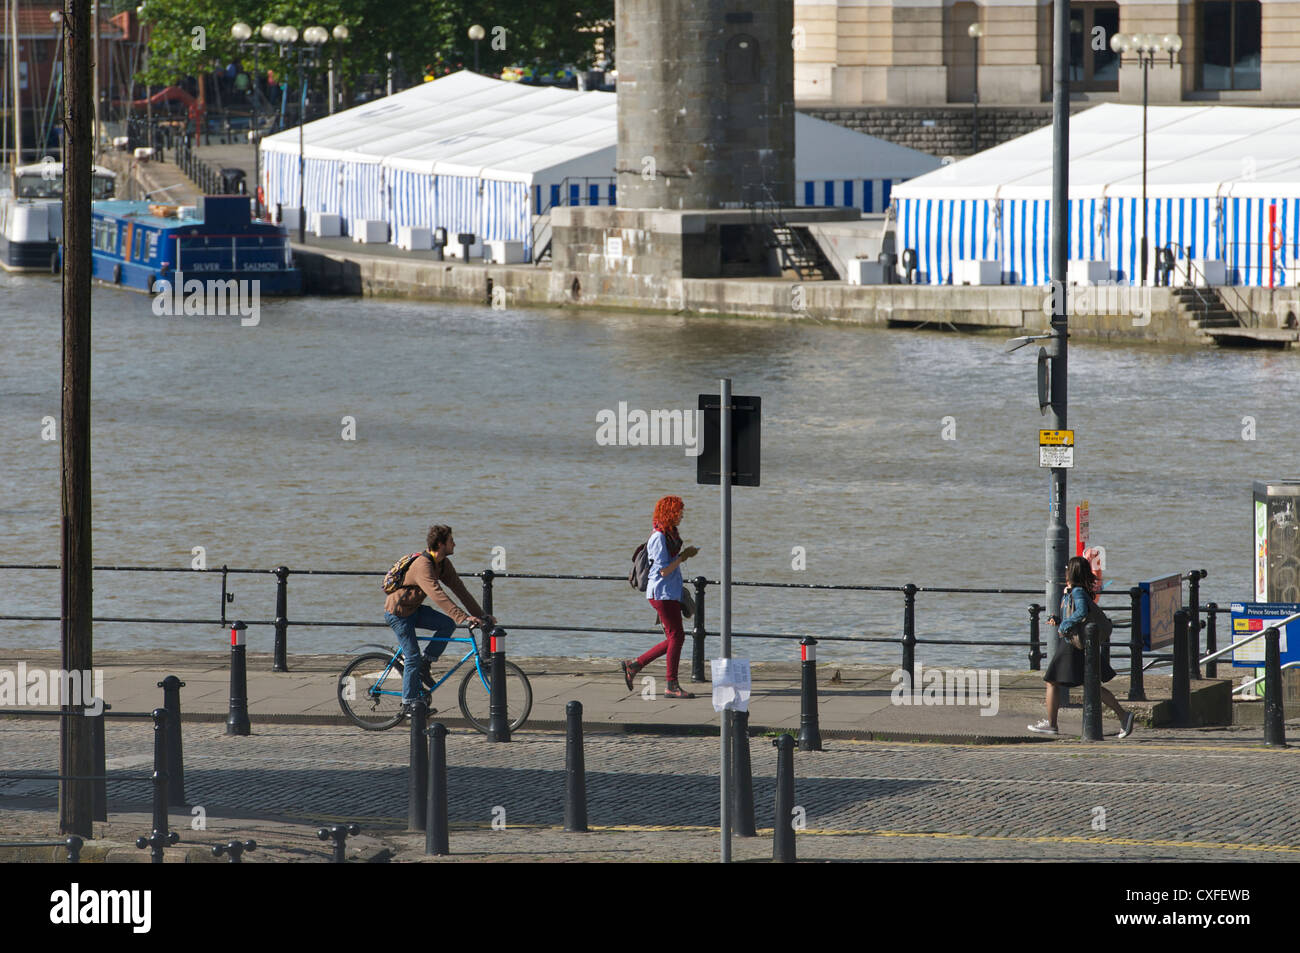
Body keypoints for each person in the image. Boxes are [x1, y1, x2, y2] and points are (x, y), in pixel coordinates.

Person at [383, 524, 492, 712]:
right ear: (441, 544)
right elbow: (437, 594)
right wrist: (463, 617)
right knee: (412, 656)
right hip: (398, 614)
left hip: (413, 609)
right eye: (451, 541)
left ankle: (425, 665)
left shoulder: (442, 563)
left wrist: (482, 616)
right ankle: (408, 703)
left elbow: (459, 589)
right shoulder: (423, 566)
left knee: (446, 624)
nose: (455, 544)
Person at [1029, 555, 1136, 738]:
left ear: (1072, 572)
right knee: (1090, 685)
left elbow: (1081, 612)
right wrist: (1060, 620)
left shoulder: (1077, 592)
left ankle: (1052, 725)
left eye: (1067, 569)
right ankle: (1123, 716)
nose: (1064, 571)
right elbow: (1078, 615)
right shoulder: (1075, 591)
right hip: (1080, 643)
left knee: (1051, 681)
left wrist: (1065, 625)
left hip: (1073, 645)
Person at [621, 495, 700, 699]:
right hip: (661, 593)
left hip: (670, 592)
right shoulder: (658, 537)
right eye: (679, 511)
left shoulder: (669, 534)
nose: (682, 515)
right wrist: (684, 557)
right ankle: (671, 685)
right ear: (670, 513)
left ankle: (635, 665)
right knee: (677, 637)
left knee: (675, 637)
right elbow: (663, 570)